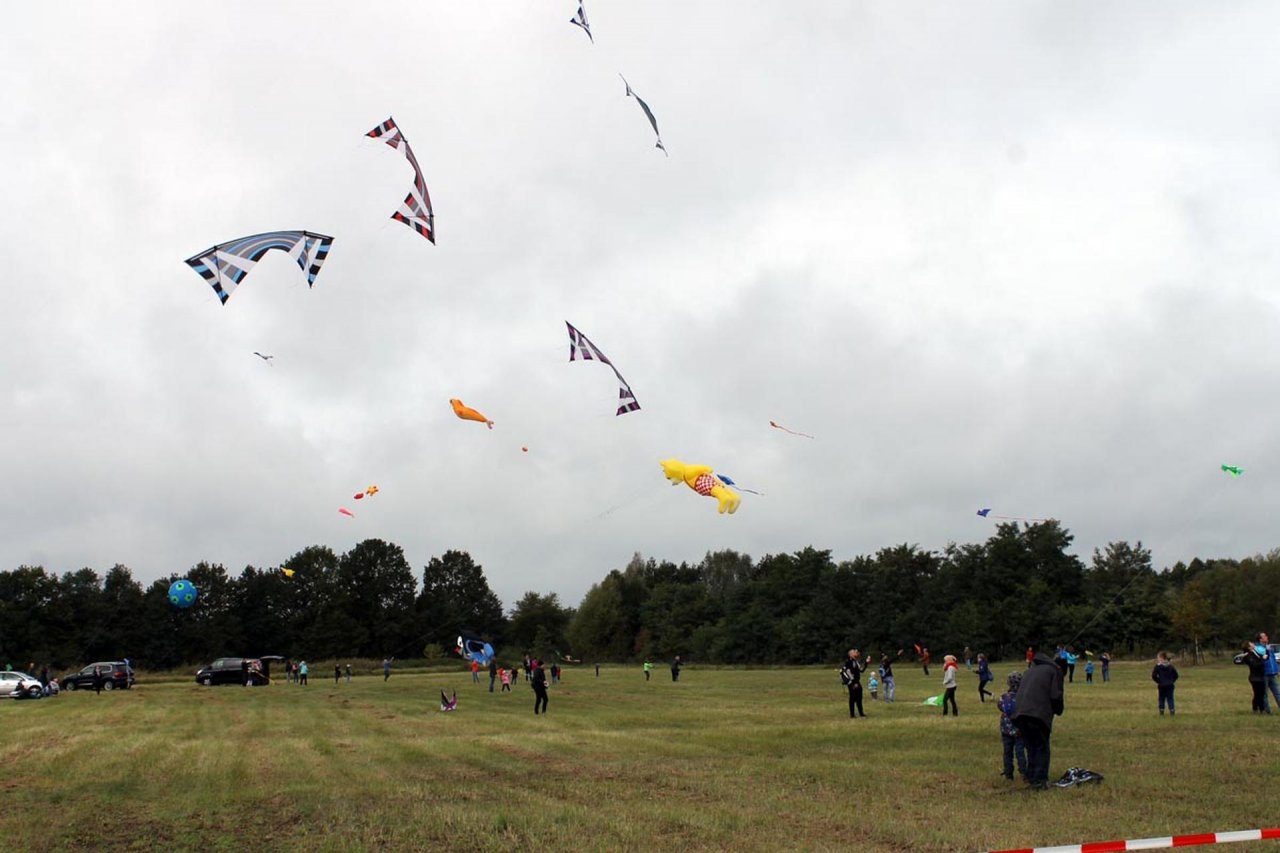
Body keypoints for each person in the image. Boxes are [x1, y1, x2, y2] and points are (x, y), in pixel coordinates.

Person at [1013, 651, 1065, 790]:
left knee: (1031, 747)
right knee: (1042, 747)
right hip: (1038, 714)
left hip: (1019, 714)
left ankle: (1031, 776)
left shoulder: (1029, 671)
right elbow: (1056, 696)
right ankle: (1040, 780)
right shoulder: (1054, 671)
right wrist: (1059, 709)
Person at [997, 671, 1028, 782]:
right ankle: (1024, 772)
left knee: (1007, 752)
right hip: (1019, 729)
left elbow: (1000, 707)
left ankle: (1008, 773)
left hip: (1005, 729)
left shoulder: (1004, 697)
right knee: (1020, 751)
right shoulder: (1024, 697)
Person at [1234, 642, 1268, 713]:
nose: (1253, 644)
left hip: (1260, 676)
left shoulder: (1255, 653)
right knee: (1257, 694)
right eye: (1251, 644)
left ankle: (1261, 709)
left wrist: (1265, 654)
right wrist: (1263, 659)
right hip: (1255, 678)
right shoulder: (1248, 656)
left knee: (1261, 693)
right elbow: (1255, 665)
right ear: (1249, 647)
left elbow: (1262, 657)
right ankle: (1257, 709)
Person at [840, 649, 867, 718]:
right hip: (851, 682)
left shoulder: (856, 662)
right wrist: (853, 683)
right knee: (852, 698)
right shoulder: (848, 662)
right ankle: (852, 714)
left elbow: (861, 670)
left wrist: (866, 663)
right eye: (854, 652)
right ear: (850, 655)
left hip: (857, 681)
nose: (856, 653)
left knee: (859, 698)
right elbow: (848, 673)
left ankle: (861, 713)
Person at [1256, 633, 1280, 712]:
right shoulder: (1258, 648)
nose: (1267, 637)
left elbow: (1273, 660)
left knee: (1277, 692)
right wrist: (1266, 650)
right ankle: (1267, 710)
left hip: (1272, 674)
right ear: (1260, 639)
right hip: (1264, 674)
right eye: (1265, 636)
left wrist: (1277, 670)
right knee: (1265, 694)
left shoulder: (1269, 647)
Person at [1151, 651, 1178, 716]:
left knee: (1161, 698)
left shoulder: (1158, 666)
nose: (1157, 659)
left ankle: (1161, 711)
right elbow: (1176, 675)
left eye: (1158, 658)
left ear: (1161, 658)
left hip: (1162, 685)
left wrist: (1158, 681)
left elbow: (1153, 675)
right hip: (1170, 685)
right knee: (1170, 698)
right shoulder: (1171, 666)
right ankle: (1172, 711)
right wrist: (1172, 681)